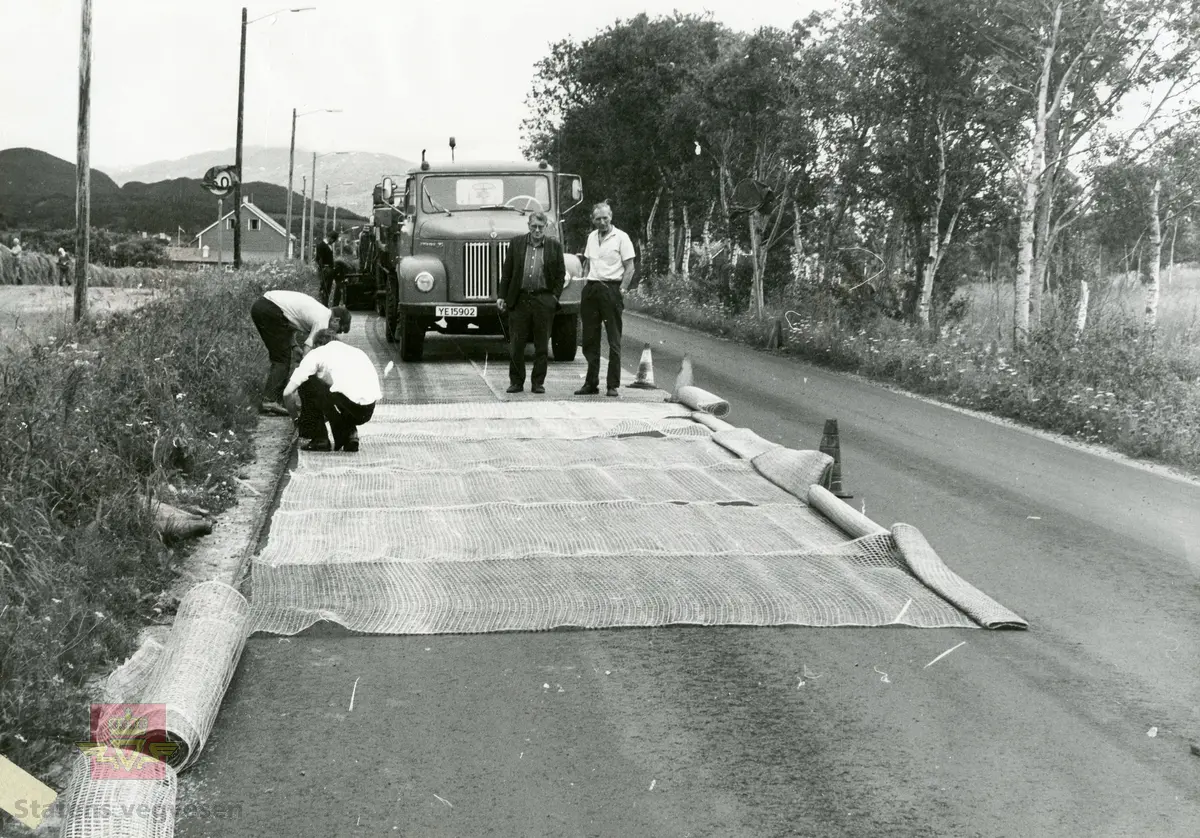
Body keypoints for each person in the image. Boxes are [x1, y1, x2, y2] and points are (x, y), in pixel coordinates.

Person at [250, 289, 351, 417]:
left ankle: (277, 400)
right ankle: (270, 401)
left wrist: (294, 346)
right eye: (340, 330)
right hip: (270, 309)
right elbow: (308, 348)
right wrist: (307, 373)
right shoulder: (323, 321)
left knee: (282, 355)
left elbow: (289, 323)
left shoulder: (321, 312)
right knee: (281, 359)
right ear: (336, 320)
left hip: (265, 306)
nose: (336, 333)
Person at [497, 211, 566, 394]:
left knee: (541, 345)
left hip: (543, 300)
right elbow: (507, 272)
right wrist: (502, 296)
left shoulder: (554, 246)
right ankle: (516, 382)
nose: (537, 230)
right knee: (516, 344)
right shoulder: (517, 243)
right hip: (519, 299)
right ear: (528, 225)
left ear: (545, 228)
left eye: (540, 227)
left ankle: (538, 383)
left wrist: (554, 298)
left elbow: (560, 275)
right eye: (534, 226)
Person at [283, 328, 381, 452]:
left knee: (307, 381)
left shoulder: (317, 353)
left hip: (346, 405)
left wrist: (297, 420)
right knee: (338, 391)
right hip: (367, 410)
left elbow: (287, 392)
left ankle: (320, 439)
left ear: (317, 344)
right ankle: (350, 434)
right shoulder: (357, 352)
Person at [575, 201, 635, 397]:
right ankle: (591, 383)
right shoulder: (592, 237)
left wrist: (622, 290)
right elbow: (587, 263)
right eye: (598, 219)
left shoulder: (622, 238)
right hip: (592, 289)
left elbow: (630, 267)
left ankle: (612, 385)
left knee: (613, 339)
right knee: (590, 339)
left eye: (605, 218)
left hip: (611, 288)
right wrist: (585, 285)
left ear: (611, 217)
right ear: (593, 220)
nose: (602, 222)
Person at [316, 230, 340, 306]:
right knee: (324, 289)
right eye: (333, 240)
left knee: (328, 289)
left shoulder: (328, 245)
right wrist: (322, 269)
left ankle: (325, 305)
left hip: (329, 270)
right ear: (330, 238)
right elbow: (319, 259)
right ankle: (323, 306)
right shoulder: (321, 245)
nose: (333, 242)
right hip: (326, 270)